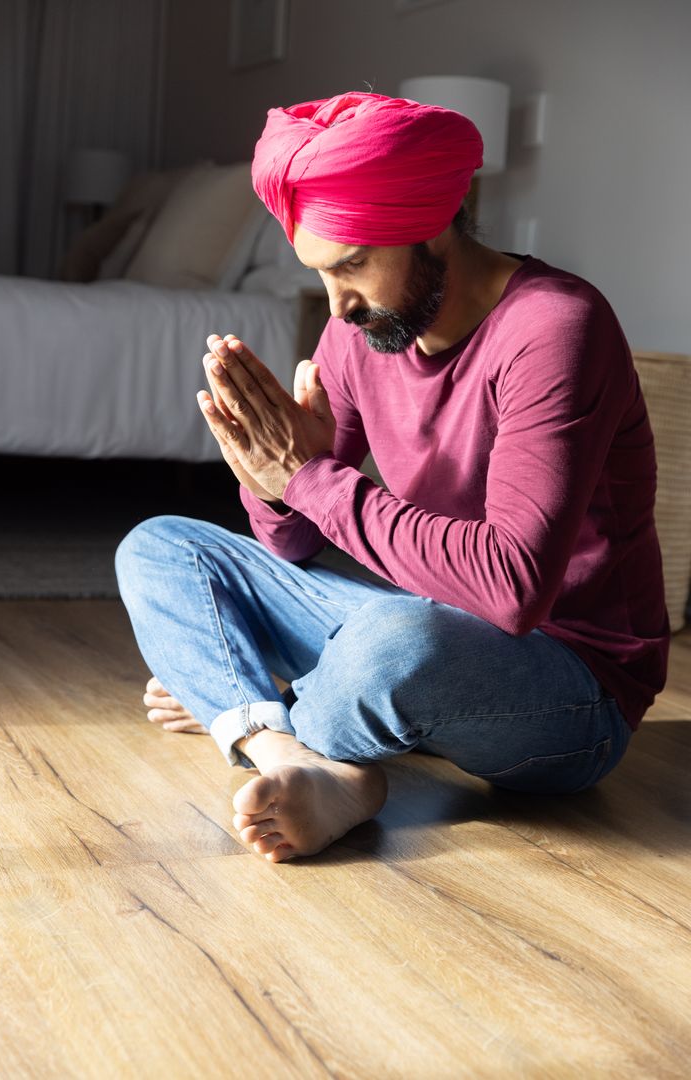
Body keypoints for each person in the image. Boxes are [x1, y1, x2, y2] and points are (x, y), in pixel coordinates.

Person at [115, 91, 669, 863]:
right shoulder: (361, 331)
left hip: (570, 685)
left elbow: (511, 589)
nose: (338, 307)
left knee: (398, 640)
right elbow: (292, 542)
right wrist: (270, 477)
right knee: (161, 547)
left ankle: (253, 711)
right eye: (322, 272)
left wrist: (307, 478)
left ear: (433, 226)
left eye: (353, 266)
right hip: (422, 624)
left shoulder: (553, 329)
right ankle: (293, 748)